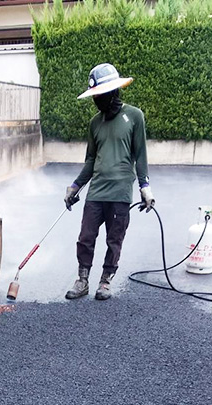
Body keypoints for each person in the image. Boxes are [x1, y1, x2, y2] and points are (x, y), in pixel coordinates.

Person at [64, 63, 154, 301]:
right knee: (85, 237)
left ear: (114, 92)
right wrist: (75, 186)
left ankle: (105, 282)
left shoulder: (134, 116)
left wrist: (145, 187)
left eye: (101, 95)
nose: (98, 101)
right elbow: (91, 159)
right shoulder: (95, 123)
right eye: (95, 97)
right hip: (97, 191)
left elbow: (141, 155)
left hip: (121, 191)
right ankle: (82, 280)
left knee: (114, 240)